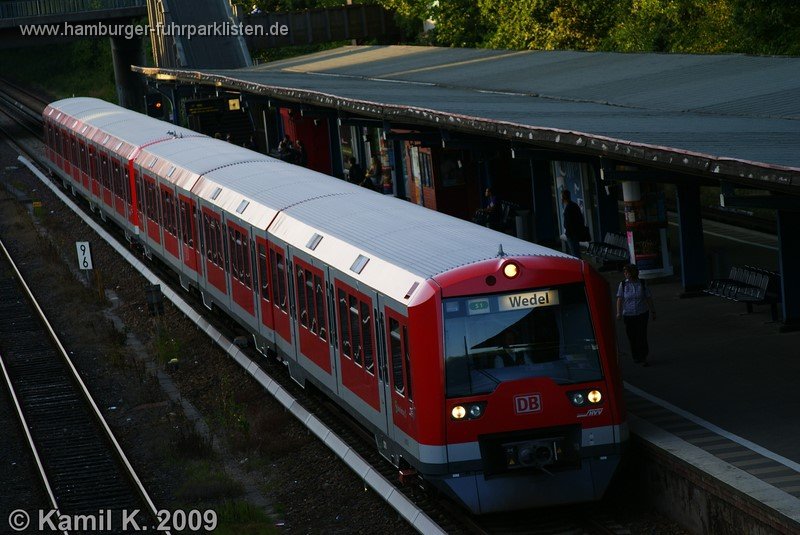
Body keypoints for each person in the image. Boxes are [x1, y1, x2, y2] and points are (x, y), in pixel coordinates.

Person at [616, 264, 656, 366]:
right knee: (632, 336)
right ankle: (636, 356)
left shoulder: (642, 283)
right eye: (624, 272)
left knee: (641, 335)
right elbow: (619, 299)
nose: (625, 274)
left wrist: (653, 311)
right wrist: (618, 313)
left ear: (633, 273)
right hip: (628, 315)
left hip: (642, 313)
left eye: (627, 272)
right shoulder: (623, 284)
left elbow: (648, 297)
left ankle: (643, 357)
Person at [561, 189, 584, 258]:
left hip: (571, 234)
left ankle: (579, 266)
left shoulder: (568, 208)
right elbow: (581, 218)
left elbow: (567, 223)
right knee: (577, 251)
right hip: (576, 232)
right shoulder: (575, 205)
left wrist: (567, 229)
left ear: (563, 197)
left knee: (574, 253)